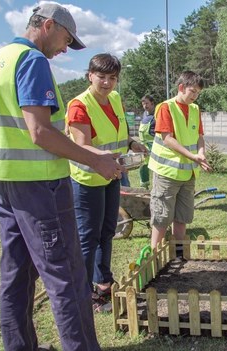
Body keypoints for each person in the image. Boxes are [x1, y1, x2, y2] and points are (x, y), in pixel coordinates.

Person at [0, 4, 123, 350]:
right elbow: (40, 132)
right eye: (65, 39)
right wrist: (94, 158)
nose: (62, 49)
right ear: (48, 25)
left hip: (6, 184)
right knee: (67, 277)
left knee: (16, 274)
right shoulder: (32, 60)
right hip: (41, 187)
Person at [66, 53, 147, 312]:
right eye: (101, 77)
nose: (107, 83)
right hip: (87, 180)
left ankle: (103, 282)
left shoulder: (115, 99)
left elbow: (119, 135)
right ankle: (84, 292)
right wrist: (110, 158)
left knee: (107, 232)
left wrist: (132, 143)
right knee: (88, 237)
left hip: (112, 175)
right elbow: (82, 147)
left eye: (112, 78)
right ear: (90, 75)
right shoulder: (79, 105)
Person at [148, 71, 211, 257]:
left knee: (182, 216)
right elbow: (167, 139)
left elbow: (199, 137)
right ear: (181, 87)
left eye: (198, 93)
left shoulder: (195, 109)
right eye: (192, 91)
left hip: (188, 173)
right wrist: (193, 157)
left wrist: (201, 153)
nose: (195, 96)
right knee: (161, 216)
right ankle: (155, 257)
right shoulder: (165, 108)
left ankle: (179, 255)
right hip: (167, 172)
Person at [138, 94, 156, 188]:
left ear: (152, 103)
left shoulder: (157, 115)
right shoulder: (145, 114)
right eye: (143, 104)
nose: (145, 106)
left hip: (154, 146)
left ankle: (158, 186)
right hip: (144, 146)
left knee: (156, 167)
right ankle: (144, 186)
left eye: (147, 103)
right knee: (143, 166)